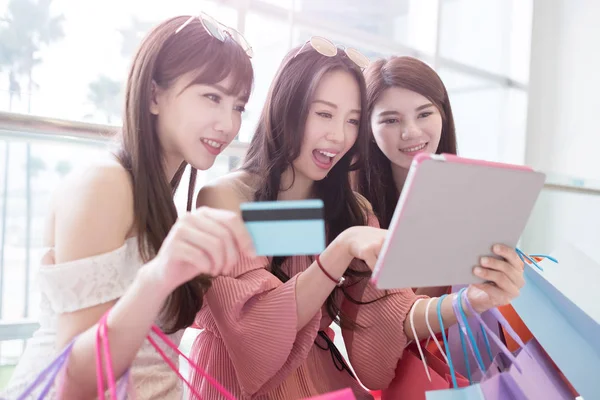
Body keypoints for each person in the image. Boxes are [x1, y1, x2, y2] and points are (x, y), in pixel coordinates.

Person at [188, 38, 525, 399]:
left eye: (352, 121)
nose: (339, 136)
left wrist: (469, 301)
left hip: (323, 381)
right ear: (286, 107)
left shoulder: (352, 210)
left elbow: (389, 315)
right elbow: (257, 331)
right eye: (324, 114)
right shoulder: (224, 197)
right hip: (231, 384)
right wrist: (342, 249)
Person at [2, 14, 255, 399]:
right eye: (212, 97)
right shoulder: (104, 184)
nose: (228, 123)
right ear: (154, 95)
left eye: (238, 106)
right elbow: (77, 380)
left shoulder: (161, 201)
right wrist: (157, 278)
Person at [356, 56, 458, 298]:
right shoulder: (358, 210)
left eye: (424, 114)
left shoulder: (467, 197)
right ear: (368, 129)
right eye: (391, 120)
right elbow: (393, 322)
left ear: (442, 114)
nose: (410, 132)